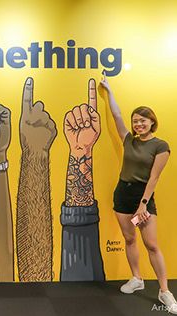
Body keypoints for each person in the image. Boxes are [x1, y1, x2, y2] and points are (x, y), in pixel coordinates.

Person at [101, 72, 177, 314]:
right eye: (136, 121)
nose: (138, 124)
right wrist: (109, 91)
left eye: (143, 121)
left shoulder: (160, 146)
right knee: (130, 239)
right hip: (122, 194)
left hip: (142, 197)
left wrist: (144, 204)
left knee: (151, 244)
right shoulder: (128, 140)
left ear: (152, 122)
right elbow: (116, 115)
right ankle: (137, 279)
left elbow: (154, 177)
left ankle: (164, 291)